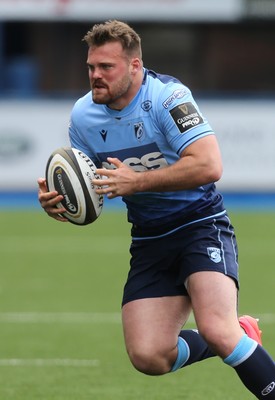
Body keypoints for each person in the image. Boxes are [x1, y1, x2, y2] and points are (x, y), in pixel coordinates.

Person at [38, 20, 275, 398]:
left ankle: (232, 337)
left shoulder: (168, 98)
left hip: (200, 224)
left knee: (218, 329)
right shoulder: (83, 117)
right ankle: (240, 334)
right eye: (91, 67)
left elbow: (209, 165)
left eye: (106, 67)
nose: (95, 76)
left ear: (134, 66)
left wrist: (138, 181)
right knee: (149, 356)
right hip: (149, 238)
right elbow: (91, 188)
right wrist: (61, 202)